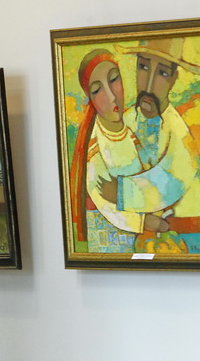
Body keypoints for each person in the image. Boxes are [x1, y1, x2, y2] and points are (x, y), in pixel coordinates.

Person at [70, 49, 169, 252]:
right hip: (112, 240)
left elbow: (147, 169)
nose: (111, 96)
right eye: (97, 90)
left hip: (141, 235)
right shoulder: (94, 147)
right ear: (90, 98)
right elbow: (105, 202)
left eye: (114, 80)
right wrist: (145, 222)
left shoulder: (130, 132)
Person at [108, 38, 200, 238]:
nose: (149, 85)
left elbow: (170, 187)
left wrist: (115, 192)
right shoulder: (121, 124)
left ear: (173, 79)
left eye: (162, 73)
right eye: (143, 67)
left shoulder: (181, 139)